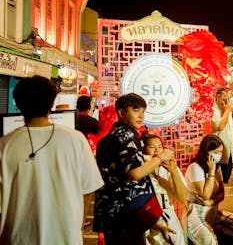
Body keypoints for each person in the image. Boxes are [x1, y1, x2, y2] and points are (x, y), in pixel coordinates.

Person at [0, 75, 104, 244]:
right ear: (52, 103)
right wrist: (77, 225)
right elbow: (88, 189)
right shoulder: (75, 139)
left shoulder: (4, 146)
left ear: (17, 105)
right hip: (66, 237)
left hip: (17, 238)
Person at [94, 93, 176, 244]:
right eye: (136, 110)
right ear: (121, 112)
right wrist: (160, 157)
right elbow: (135, 174)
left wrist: (154, 224)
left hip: (115, 216)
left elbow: (124, 184)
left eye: (143, 111)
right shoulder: (125, 135)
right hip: (124, 219)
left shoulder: (108, 138)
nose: (141, 115)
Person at [185, 134, 233, 245]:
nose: (219, 155)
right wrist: (212, 172)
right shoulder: (195, 168)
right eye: (216, 152)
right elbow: (205, 195)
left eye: (221, 152)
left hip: (213, 212)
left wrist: (211, 202)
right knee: (211, 241)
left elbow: (221, 194)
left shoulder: (217, 167)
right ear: (206, 152)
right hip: (196, 215)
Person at [141, 132, 188, 245]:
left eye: (160, 147)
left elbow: (182, 197)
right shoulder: (140, 171)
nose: (157, 150)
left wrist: (174, 171)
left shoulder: (167, 169)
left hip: (168, 216)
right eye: (152, 147)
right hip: (149, 221)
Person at [211, 87, 233, 183]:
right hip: (217, 149)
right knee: (217, 177)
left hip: (229, 148)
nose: (227, 102)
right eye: (225, 99)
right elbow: (219, 126)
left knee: (226, 176)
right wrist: (227, 111)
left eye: (229, 99)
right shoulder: (213, 110)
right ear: (217, 97)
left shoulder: (226, 110)